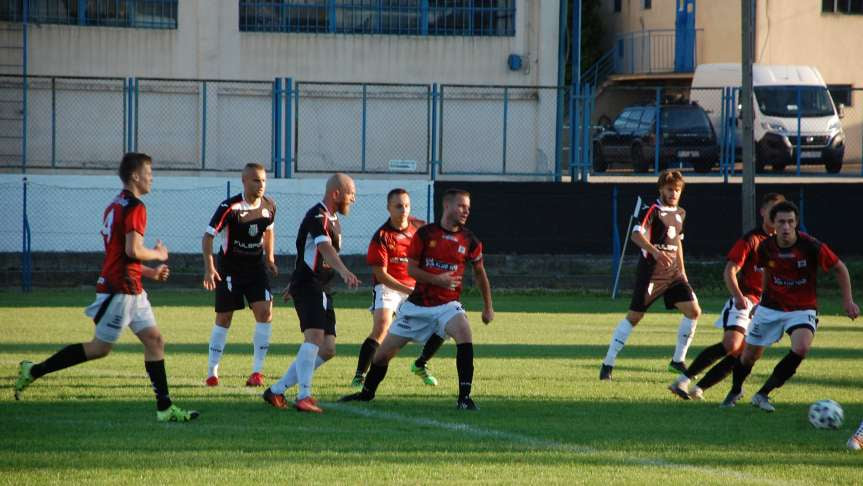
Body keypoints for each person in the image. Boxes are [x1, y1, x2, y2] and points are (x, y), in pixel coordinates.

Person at [13, 153, 198, 422]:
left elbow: (118, 254)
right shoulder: (135, 206)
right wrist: (157, 254)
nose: (152, 177)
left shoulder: (114, 204)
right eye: (149, 172)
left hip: (131, 287)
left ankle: (165, 408)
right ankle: (33, 371)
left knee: (155, 340)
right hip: (119, 290)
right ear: (135, 176)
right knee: (100, 348)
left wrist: (149, 272)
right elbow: (132, 249)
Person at [339, 188, 494, 410]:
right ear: (447, 206)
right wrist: (437, 279)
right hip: (417, 305)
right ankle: (366, 393)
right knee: (382, 356)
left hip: (448, 305)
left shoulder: (470, 240)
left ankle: (464, 398)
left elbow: (480, 274)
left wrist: (488, 307)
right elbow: (411, 270)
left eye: (468, 208)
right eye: (461, 206)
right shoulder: (425, 234)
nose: (465, 211)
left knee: (464, 332)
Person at [720, 200, 859, 410]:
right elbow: (767, 272)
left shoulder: (810, 245)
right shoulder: (765, 247)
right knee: (749, 356)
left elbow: (840, 268)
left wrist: (848, 300)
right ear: (773, 224)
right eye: (781, 222)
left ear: (796, 223)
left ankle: (763, 394)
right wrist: (762, 300)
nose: (786, 227)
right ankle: (736, 389)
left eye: (790, 222)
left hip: (803, 308)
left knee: (801, 347)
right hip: (771, 306)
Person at [668, 193, 785, 400]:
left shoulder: (783, 246)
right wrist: (739, 297)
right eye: (773, 211)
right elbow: (730, 270)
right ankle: (683, 379)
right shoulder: (752, 239)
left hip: (766, 307)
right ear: (763, 213)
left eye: (782, 214)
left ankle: (699, 388)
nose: (778, 218)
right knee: (732, 344)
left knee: (743, 354)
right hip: (746, 301)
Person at [262, 173, 361, 413]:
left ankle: (276, 390)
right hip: (310, 285)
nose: (354, 199)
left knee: (327, 349)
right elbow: (323, 248)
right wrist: (345, 271)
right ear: (336, 193)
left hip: (319, 286)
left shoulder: (334, 219)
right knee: (314, 338)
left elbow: (305, 253)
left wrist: (292, 282)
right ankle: (304, 395)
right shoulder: (318, 216)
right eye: (351, 194)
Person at [600, 170, 701, 380]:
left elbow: (678, 243)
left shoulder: (680, 213)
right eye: (670, 189)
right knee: (634, 317)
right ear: (661, 189)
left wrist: (682, 271)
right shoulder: (652, 209)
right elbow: (636, 235)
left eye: (677, 190)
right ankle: (608, 363)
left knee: (693, 311)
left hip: (674, 274)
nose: (674, 193)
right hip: (652, 273)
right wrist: (656, 252)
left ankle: (677, 361)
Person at [351, 188, 445, 389]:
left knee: (443, 323)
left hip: (413, 286)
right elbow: (381, 275)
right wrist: (409, 290)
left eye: (407, 205)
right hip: (388, 287)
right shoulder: (382, 236)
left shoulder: (420, 228)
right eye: (398, 206)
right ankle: (360, 375)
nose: (403, 210)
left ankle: (421, 364)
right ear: (388, 208)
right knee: (382, 326)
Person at [202, 163, 277, 387]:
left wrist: (270, 258)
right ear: (244, 181)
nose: (260, 184)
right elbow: (208, 237)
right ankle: (212, 372)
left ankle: (257, 372)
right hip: (230, 270)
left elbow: (269, 230)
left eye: (263, 180)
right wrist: (209, 267)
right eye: (255, 180)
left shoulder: (269, 206)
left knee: (265, 313)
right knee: (224, 318)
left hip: (256, 269)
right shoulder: (229, 207)